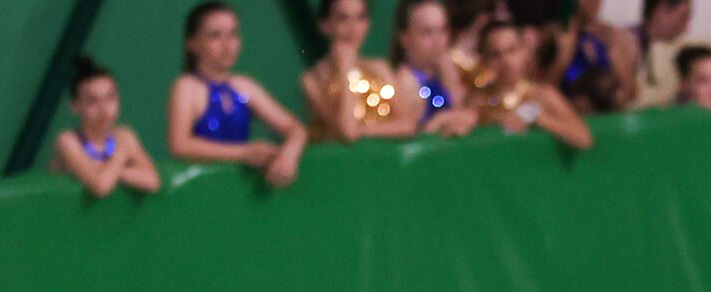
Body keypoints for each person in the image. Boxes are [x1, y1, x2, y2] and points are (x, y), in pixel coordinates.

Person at [170, 3, 308, 182]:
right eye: (215, 36)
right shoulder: (187, 86)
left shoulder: (243, 86)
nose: (227, 46)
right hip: (203, 189)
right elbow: (180, 145)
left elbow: (295, 128)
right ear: (193, 43)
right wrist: (244, 152)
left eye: (233, 34)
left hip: (239, 189)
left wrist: (289, 154)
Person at [473, 18, 596, 146]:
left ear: (524, 52)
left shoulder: (542, 94)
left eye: (512, 50)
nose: (505, 61)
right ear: (484, 60)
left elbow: (584, 138)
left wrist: (540, 118)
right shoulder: (478, 99)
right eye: (495, 55)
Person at [52, 57, 163, 196]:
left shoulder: (124, 135)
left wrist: (113, 171)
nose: (104, 109)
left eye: (110, 98)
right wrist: (121, 156)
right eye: (92, 102)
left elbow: (153, 181)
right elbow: (100, 186)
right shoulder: (68, 141)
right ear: (75, 106)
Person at [304, 0, 409, 139]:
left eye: (360, 18)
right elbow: (347, 132)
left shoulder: (380, 68)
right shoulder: (313, 80)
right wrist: (346, 73)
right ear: (325, 25)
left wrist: (365, 131)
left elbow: (407, 125)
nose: (353, 28)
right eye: (343, 19)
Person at [392, 0, 483, 134]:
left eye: (443, 30)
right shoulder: (403, 83)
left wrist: (450, 79)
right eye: (427, 32)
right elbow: (416, 133)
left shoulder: (450, 71)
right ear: (405, 38)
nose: (438, 40)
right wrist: (444, 118)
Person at [631, 0, 700, 109]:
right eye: (682, 18)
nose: (686, 28)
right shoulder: (626, 44)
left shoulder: (679, 47)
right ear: (661, 10)